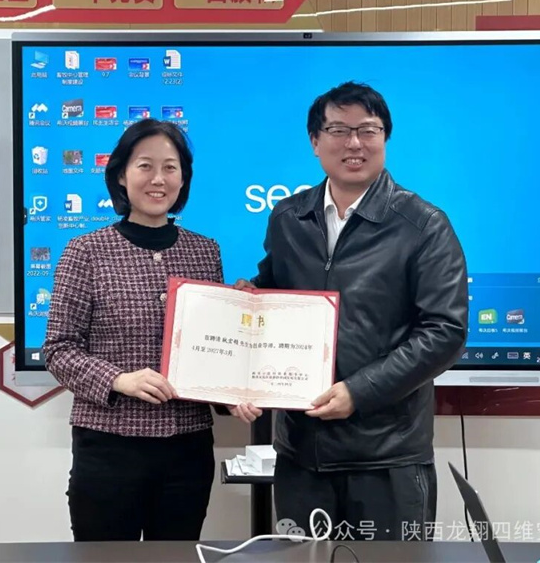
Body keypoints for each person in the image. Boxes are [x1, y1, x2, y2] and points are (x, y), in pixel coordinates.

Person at [235, 82, 468, 541]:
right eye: (339, 130)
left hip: (387, 458)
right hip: (301, 456)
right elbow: (274, 296)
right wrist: (245, 303)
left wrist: (358, 391)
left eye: (368, 130)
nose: (354, 143)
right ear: (315, 141)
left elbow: (445, 331)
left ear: (385, 138)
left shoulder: (423, 225)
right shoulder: (288, 219)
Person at [43, 118, 261, 542]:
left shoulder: (204, 251)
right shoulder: (86, 251)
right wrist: (119, 379)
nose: (158, 179)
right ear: (121, 176)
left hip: (186, 449)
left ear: (183, 179)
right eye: (145, 166)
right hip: (108, 447)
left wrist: (234, 385)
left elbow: (209, 349)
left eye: (170, 167)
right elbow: (59, 348)